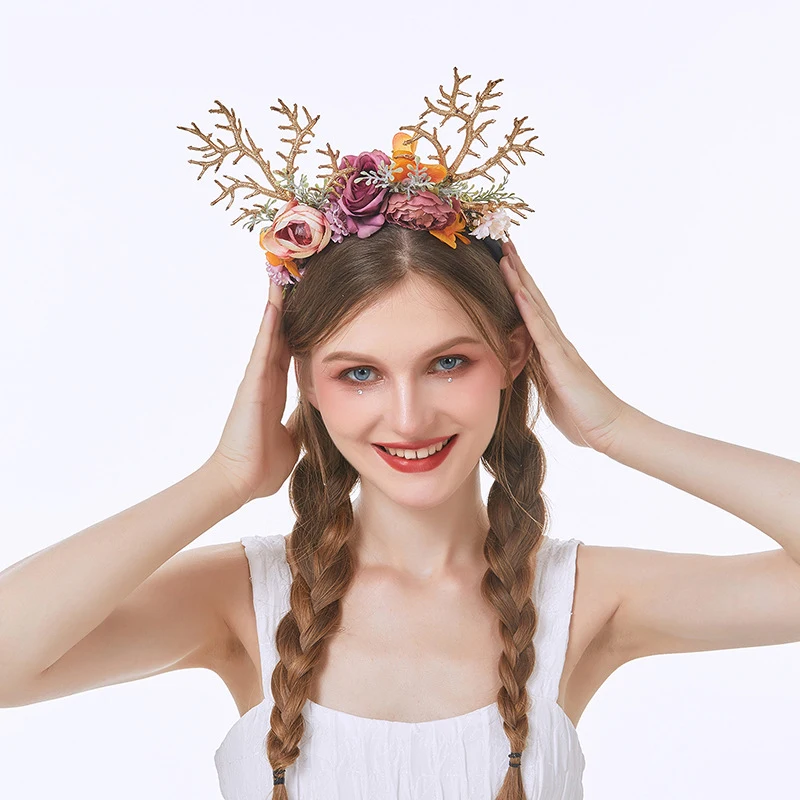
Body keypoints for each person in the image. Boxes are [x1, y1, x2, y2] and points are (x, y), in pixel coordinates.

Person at [4, 70, 800, 800]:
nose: (410, 418)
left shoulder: (583, 599)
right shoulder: (241, 601)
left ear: (514, 358)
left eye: (448, 363)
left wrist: (619, 429)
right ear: (303, 381)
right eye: (359, 373)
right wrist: (224, 478)